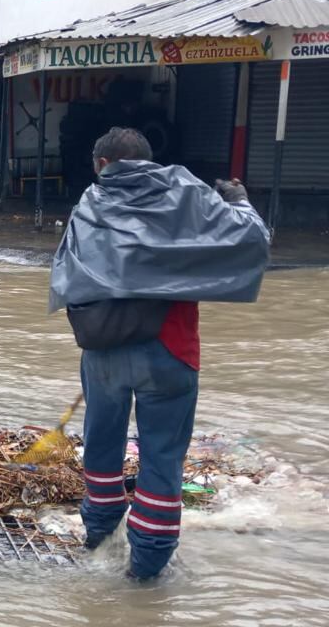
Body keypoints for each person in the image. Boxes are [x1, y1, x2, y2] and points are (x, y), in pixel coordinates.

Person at [54, 128, 268, 581]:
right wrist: (239, 201)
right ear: (148, 161)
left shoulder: (90, 203)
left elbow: (69, 272)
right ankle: (147, 571)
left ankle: (99, 539)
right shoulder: (187, 192)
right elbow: (252, 238)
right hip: (170, 347)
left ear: (101, 164)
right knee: (162, 457)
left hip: (104, 348)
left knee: (102, 442)